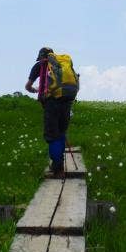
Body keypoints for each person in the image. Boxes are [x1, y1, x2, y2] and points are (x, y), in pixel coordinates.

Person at [25, 47, 79, 178]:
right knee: (61, 133)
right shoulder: (61, 64)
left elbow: (27, 86)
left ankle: (57, 169)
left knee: (52, 136)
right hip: (67, 101)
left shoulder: (40, 65)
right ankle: (58, 165)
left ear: (41, 56)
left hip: (51, 103)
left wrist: (35, 90)